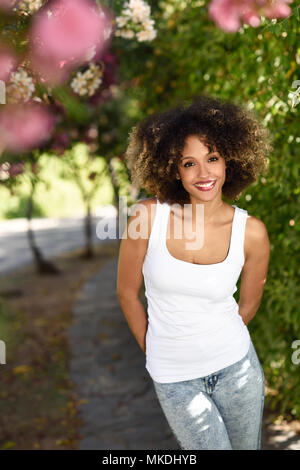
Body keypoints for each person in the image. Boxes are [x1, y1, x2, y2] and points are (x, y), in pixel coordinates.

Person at [116, 94, 272, 450]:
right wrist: (154, 347)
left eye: (212, 158)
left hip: (237, 368)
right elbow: (127, 293)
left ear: (229, 161)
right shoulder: (147, 218)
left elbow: (246, 306)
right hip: (175, 378)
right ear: (173, 168)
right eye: (190, 163)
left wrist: (211, 341)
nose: (204, 174)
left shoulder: (252, 232)